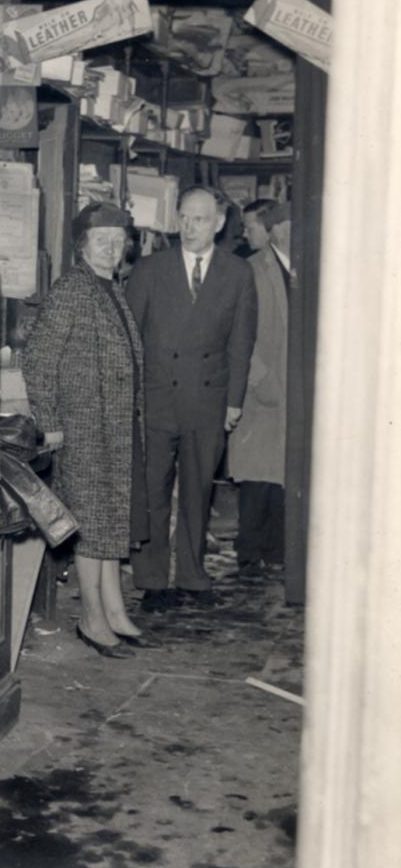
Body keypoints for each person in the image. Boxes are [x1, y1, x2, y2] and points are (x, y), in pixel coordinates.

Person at [23, 202, 149, 658]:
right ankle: (92, 618)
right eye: (103, 240)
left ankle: (114, 610)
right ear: (83, 244)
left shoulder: (110, 287)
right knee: (94, 525)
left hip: (113, 425)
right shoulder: (73, 289)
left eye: (119, 240)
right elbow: (37, 359)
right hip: (82, 426)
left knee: (111, 519)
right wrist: (50, 423)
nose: (112, 248)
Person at [126, 186, 257, 608]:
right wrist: (133, 399)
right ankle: (152, 580)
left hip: (209, 399)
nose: (188, 227)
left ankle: (193, 576)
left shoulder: (238, 274)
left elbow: (241, 344)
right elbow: (130, 341)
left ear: (218, 224)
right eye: (183, 217)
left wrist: (234, 401)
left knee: (199, 491)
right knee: (153, 490)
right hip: (158, 397)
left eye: (198, 219)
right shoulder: (150, 270)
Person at [228, 200, 292, 578]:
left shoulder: (305, 268)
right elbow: (238, 335)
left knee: (284, 474)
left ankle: (278, 551)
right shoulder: (250, 270)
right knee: (257, 476)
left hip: (292, 388)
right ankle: (250, 554)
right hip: (263, 387)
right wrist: (260, 379)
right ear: (281, 229)